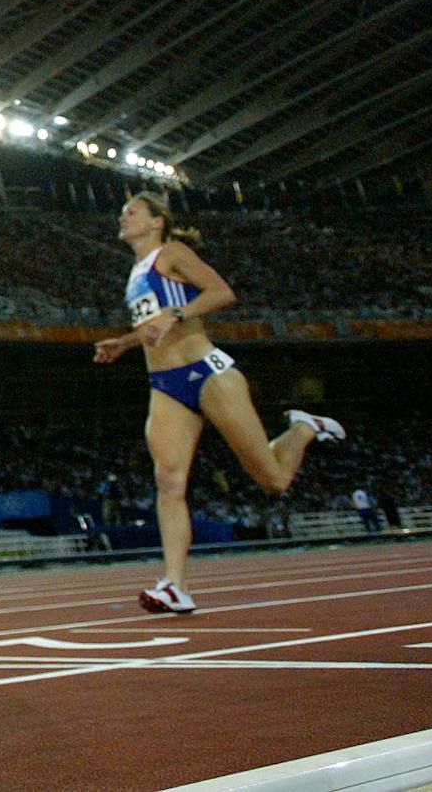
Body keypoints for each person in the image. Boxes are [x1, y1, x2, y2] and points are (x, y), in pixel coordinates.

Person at [94, 191, 346, 614]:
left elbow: (221, 293)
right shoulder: (135, 273)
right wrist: (124, 342)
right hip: (165, 383)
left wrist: (176, 315)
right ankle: (175, 585)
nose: (123, 218)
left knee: (273, 480)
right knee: (168, 481)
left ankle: (303, 427)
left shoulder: (171, 253)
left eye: (131, 212)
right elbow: (153, 325)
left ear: (157, 222)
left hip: (207, 372)